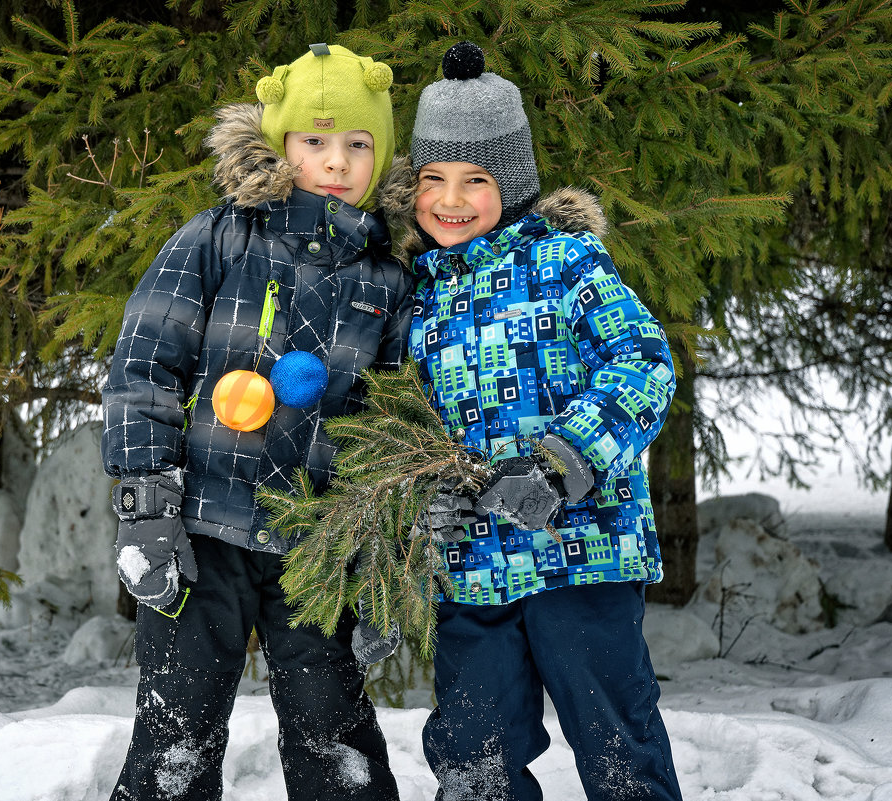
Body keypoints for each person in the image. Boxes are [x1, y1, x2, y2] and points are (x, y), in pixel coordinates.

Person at [101, 43, 413, 801]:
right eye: (315, 141)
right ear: (280, 145)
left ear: (383, 155)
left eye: (358, 144)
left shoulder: (388, 276)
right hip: (206, 525)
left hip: (319, 542)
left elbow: (397, 430)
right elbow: (145, 364)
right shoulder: (218, 238)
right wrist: (146, 504)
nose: (336, 161)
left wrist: (384, 565)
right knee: (177, 721)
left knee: (333, 726)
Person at [395, 41, 684, 801]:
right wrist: (423, 500)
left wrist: (561, 463)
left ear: (513, 183)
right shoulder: (416, 300)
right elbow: (402, 434)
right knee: (470, 754)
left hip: (583, 556)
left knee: (617, 742)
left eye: (475, 179)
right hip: (476, 566)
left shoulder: (567, 264)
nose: (449, 199)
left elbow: (645, 363)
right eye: (433, 179)